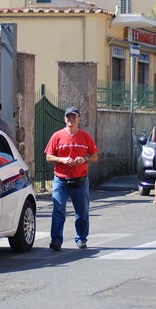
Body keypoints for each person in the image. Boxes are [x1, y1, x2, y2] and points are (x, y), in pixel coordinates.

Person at [44, 106, 98, 251]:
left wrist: (84, 159)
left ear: (79, 119)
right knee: (58, 209)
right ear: (64, 119)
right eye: (68, 117)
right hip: (61, 180)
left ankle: (81, 239)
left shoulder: (85, 137)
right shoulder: (57, 136)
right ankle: (56, 240)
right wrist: (63, 160)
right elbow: (48, 156)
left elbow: (94, 156)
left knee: (82, 212)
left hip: (80, 180)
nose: (71, 120)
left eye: (74, 117)